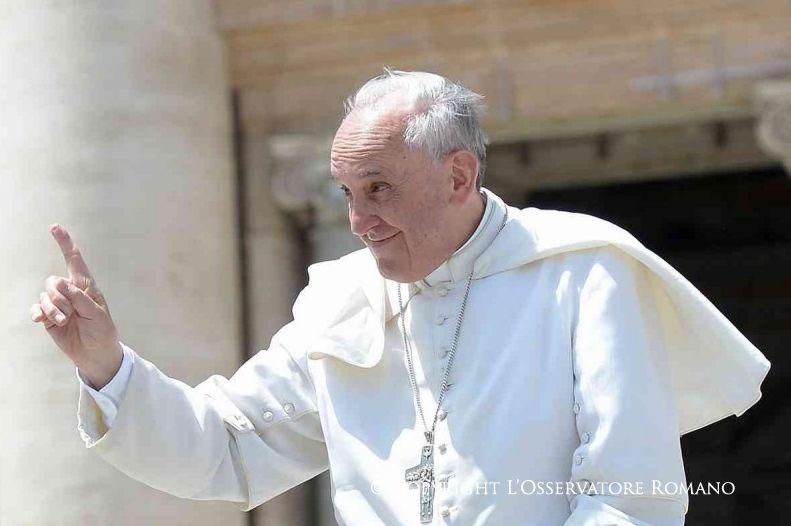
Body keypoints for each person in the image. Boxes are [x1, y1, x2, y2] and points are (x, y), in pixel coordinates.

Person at [32, 70, 770, 525]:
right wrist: (106, 366)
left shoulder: (581, 271)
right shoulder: (339, 300)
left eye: (379, 188)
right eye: (346, 194)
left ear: (458, 176)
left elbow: (629, 498)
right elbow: (225, 451)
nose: (358, 221)